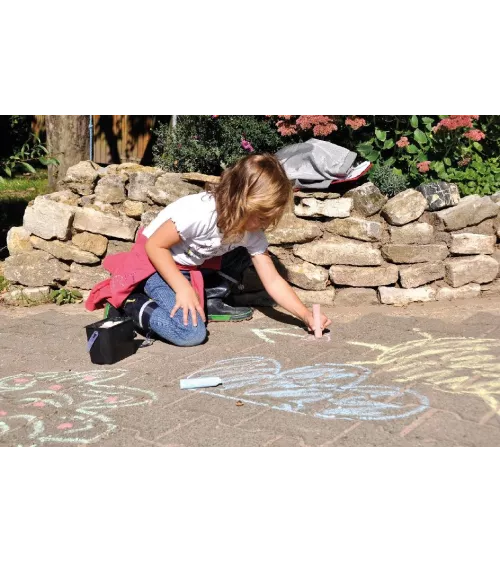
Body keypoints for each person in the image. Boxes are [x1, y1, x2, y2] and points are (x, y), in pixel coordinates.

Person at [85, 154, 331, 346]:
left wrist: (305, 315)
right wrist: (182, 289)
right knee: (190, 333)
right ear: (240, 201)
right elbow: (154, 246)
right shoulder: (198, 213)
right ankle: (129, 301)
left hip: (187, 268)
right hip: (154, 264)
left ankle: (184, 298)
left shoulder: (251, 229)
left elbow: (272, 280)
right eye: (262, 216)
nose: (266, 224)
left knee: (199, 309)